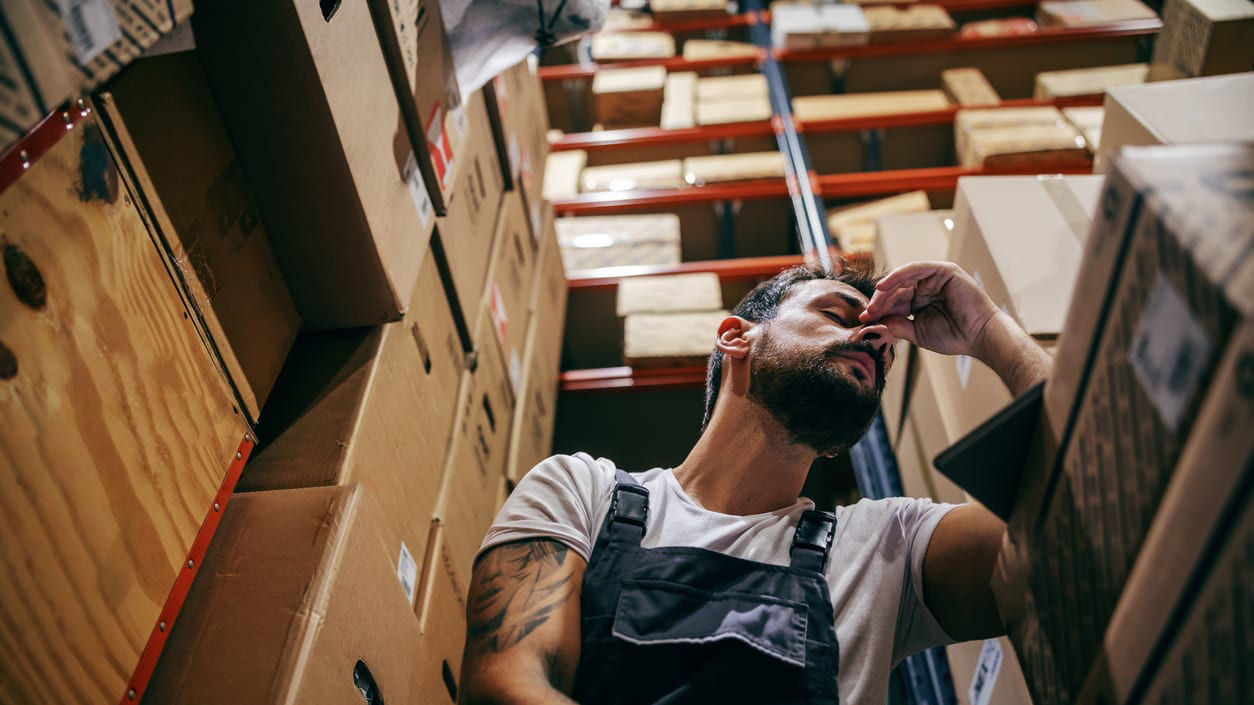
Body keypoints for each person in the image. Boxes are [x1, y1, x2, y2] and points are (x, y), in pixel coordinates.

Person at [457, 259, 1054, 704]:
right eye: (836, 315)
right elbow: (504, 686)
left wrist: (986, 329)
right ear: (736, 336)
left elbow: (1070, 528)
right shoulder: (584, 493)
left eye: (888, 349)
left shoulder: (887, 546)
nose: (876, 338)